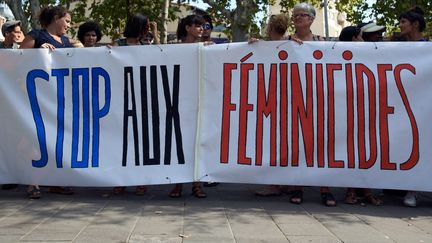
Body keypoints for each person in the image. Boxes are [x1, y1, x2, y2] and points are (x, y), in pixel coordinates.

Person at [20, 6, 76, 199]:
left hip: (60, 99)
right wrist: (37, 52)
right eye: (67, 21)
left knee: (58, 139)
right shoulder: (36, 36)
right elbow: (18, 58)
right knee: (37, 137)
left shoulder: (67, 42)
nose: (68, 26)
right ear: (55, 18)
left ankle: (56, 182)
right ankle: (33, 182)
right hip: (38, 96)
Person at [287, 3, 335, 207]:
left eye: (302, 15)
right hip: (294, 100)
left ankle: (326, 188)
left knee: (321, 144)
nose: (298, 18)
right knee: (298, 143)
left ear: (311, 19)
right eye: (295, 15)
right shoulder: (284, 42)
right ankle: (298, 186)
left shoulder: (322, 42)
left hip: (318, 100)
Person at [111, 13, 151, 196]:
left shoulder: (146, 46)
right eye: (146, 26)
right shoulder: (118, 45)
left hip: (140, 99)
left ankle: (140, 180)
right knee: (121, 141)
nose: (148, 30)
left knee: (139, 142)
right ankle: (121, 180)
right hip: (121, 97)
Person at [169, 14, 207, 198]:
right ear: (187, 28)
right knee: (178, 143)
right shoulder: (174, 49)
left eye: (203, 26)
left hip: (200, 102)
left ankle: (197, 184)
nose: (201, 29)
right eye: (198, 25)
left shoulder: (208, 48)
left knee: (197, 143)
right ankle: (177, 184)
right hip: (178, 102)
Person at [398, 6, 428, 207]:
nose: (400, 26)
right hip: (406, 106)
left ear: (415, 24)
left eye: (403, 22)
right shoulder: (397, 47)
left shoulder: (428, 49)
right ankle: (411, 190)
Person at [0, 20, 23, 191]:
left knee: (12, 139)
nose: (19, 34)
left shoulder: (21, 51)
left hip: (13, 102)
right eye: (16, 31)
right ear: (7, 33)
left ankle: (10, 175)